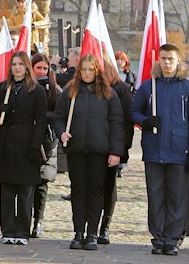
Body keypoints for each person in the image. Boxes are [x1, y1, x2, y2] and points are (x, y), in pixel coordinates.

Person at [131, 43, 189, 256]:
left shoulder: (188, 88)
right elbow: (134, 111)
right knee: (155, 196)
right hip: (154, 150)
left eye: (171, 58)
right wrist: (145, 121)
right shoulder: (148, 86)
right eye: (163, 58)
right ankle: (158, 237)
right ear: (158, 60)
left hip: (179, 151)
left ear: (178, 61)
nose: (167, 62)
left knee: (176, 197)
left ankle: (172, 239)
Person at [53, 54, 124, 251]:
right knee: (78, 191)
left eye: (90, 70)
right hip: (76, 150)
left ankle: (92, 232)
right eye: (83, 69)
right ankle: (78, 231)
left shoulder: (109, 94)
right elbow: (58, 117)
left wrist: (115, 151)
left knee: (95, 191)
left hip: (99, 151)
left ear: (97, 71)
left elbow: (117, 124)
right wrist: (62, 133)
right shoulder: (70, 92)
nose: (86, 73)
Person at [0, 51, 47, 245]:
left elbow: (40, 120)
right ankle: (7, 230)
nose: (17, 68)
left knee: (25, 192)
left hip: (26, 140)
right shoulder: (3, 87)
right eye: (14, 64)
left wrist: (34, 146)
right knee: (6, 192)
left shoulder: (36, 90)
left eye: (21, 64)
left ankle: (22, 231)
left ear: (26, 67)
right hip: (6, 141)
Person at [98, 57, 135, 244]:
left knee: (108, 188)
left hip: (111, 148)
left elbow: (127, 123)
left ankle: (105, 226)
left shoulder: (121, 90)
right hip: (93, 147)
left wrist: (121, 150)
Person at [30, 53, 61, 238]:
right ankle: (25, 218)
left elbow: (59, 115)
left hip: (47, 141)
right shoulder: (26, 87)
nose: (41, 71)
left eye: (44, 68)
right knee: (27, 183)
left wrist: (42, 115)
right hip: (27, 139)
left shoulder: (55, 90)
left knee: (41, 184)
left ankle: (38, 221)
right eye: (38, 68)